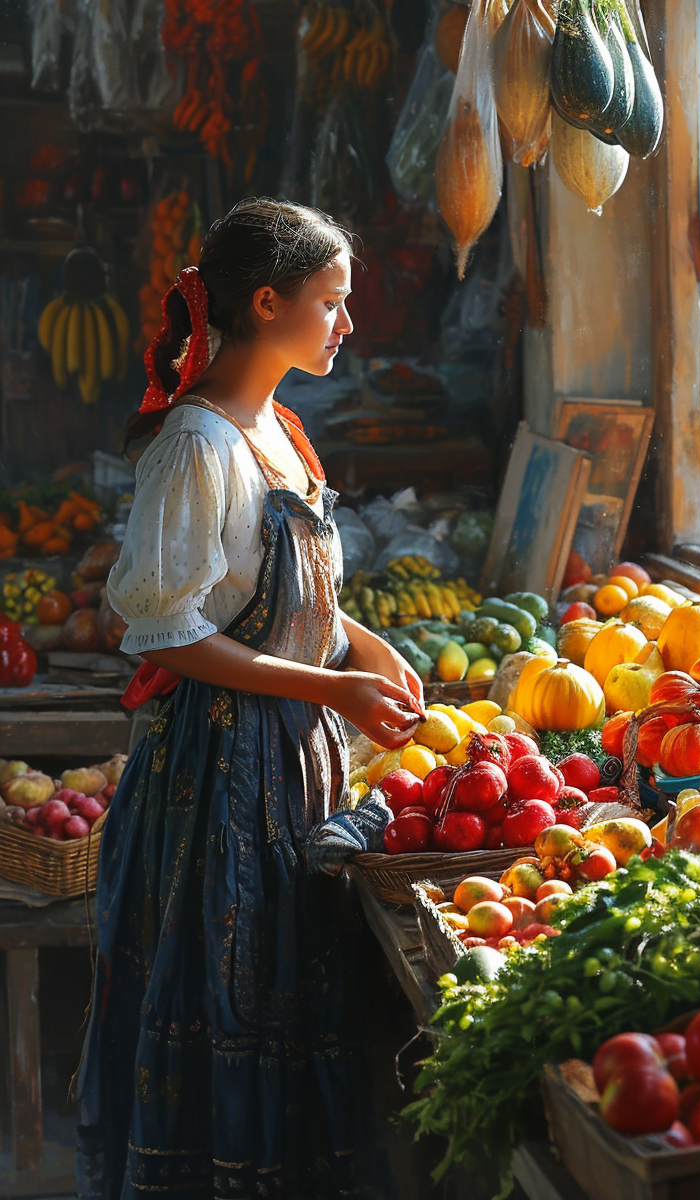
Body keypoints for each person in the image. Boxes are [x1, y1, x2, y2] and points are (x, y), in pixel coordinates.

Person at [75, 197, 425, 1199]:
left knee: (286, 986)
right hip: (217, 775)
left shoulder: (279, 429)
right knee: (228, 989)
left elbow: (288, 594)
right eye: (333, 303)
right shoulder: (198, 445)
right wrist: (330, 686)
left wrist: (366, 643)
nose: (347, 325)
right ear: (266, 304)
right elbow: (171, 630)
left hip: (290, 758)